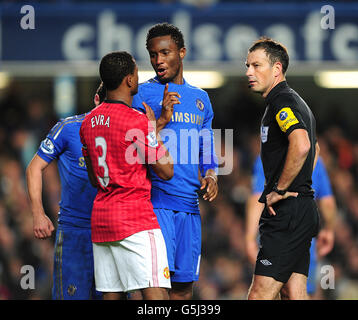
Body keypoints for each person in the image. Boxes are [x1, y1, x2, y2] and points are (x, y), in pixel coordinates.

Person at [131, 22, 219, 300]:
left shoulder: (201, 99)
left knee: (183, 290)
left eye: (165, 53)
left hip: (190, 208)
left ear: (181, 52)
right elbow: (132, 148)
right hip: (155, 205)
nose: (158, 60)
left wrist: (212, 175)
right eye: (153, 54)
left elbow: (206, 146)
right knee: (153, 289)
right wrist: (160, 120)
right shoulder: (141, 95)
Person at [80, 51, 174, 300]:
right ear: (129, 80)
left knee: (112, 295)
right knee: (158, 297)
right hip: (135, 219)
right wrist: (153, 130)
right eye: (135, 72)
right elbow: (166, 170)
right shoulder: (137, 121)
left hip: (102, 221)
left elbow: (93, 178)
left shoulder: (88, 122)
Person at [245, 37, 320, 300]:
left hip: (287, 212)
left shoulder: (281, 101)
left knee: (259, 295)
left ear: (276, 69)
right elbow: (315, 148)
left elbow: (302, 145)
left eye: (256, 65)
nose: (249, 72)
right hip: (300, 209)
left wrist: (280, 188)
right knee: (293, 292)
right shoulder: (296, 101)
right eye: (247, 66)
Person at [26, 82, 106, 300]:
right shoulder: (68, 128)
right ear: (96, 101)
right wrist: (38, 213)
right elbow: (34, 167)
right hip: (75, 231)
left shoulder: (126, 130)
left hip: (112, 231)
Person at [245, 155, 337, 297]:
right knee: (299, 293)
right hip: (305, 241)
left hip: (279, 236)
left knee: (262, 293)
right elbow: (327, 201)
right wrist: (329, 229)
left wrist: (250, 238)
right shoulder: (315, 159)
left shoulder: (270, 155)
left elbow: (257, 198)